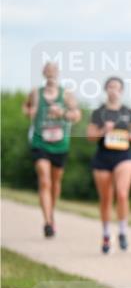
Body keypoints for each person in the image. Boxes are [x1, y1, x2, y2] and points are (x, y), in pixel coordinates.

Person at [23, 62, 82, 238]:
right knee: (44, 180)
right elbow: (26, 107)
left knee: (55, 183)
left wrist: (62, 113)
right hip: (40, 142)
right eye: (47, 71)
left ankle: (51, 213)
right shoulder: (36, 93)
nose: (50, 73)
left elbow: (77, 115)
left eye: (54, 70)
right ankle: (48, 222)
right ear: (43, 73)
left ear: (58, 73)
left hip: (60, 144)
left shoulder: (66, 94)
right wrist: (29, 111)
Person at [86, 76, 131, 254]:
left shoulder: (128, 112)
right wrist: (104, 130)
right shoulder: (98, 113)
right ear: (105, 90)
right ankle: (106, 234)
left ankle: (123, 231)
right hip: (103, 157)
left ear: (121, 91)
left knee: (123, 194)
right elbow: (90, 136)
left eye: (116, 87)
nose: (113, 90)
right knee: (106, 199)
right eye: (110, 87)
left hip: (124, 156)